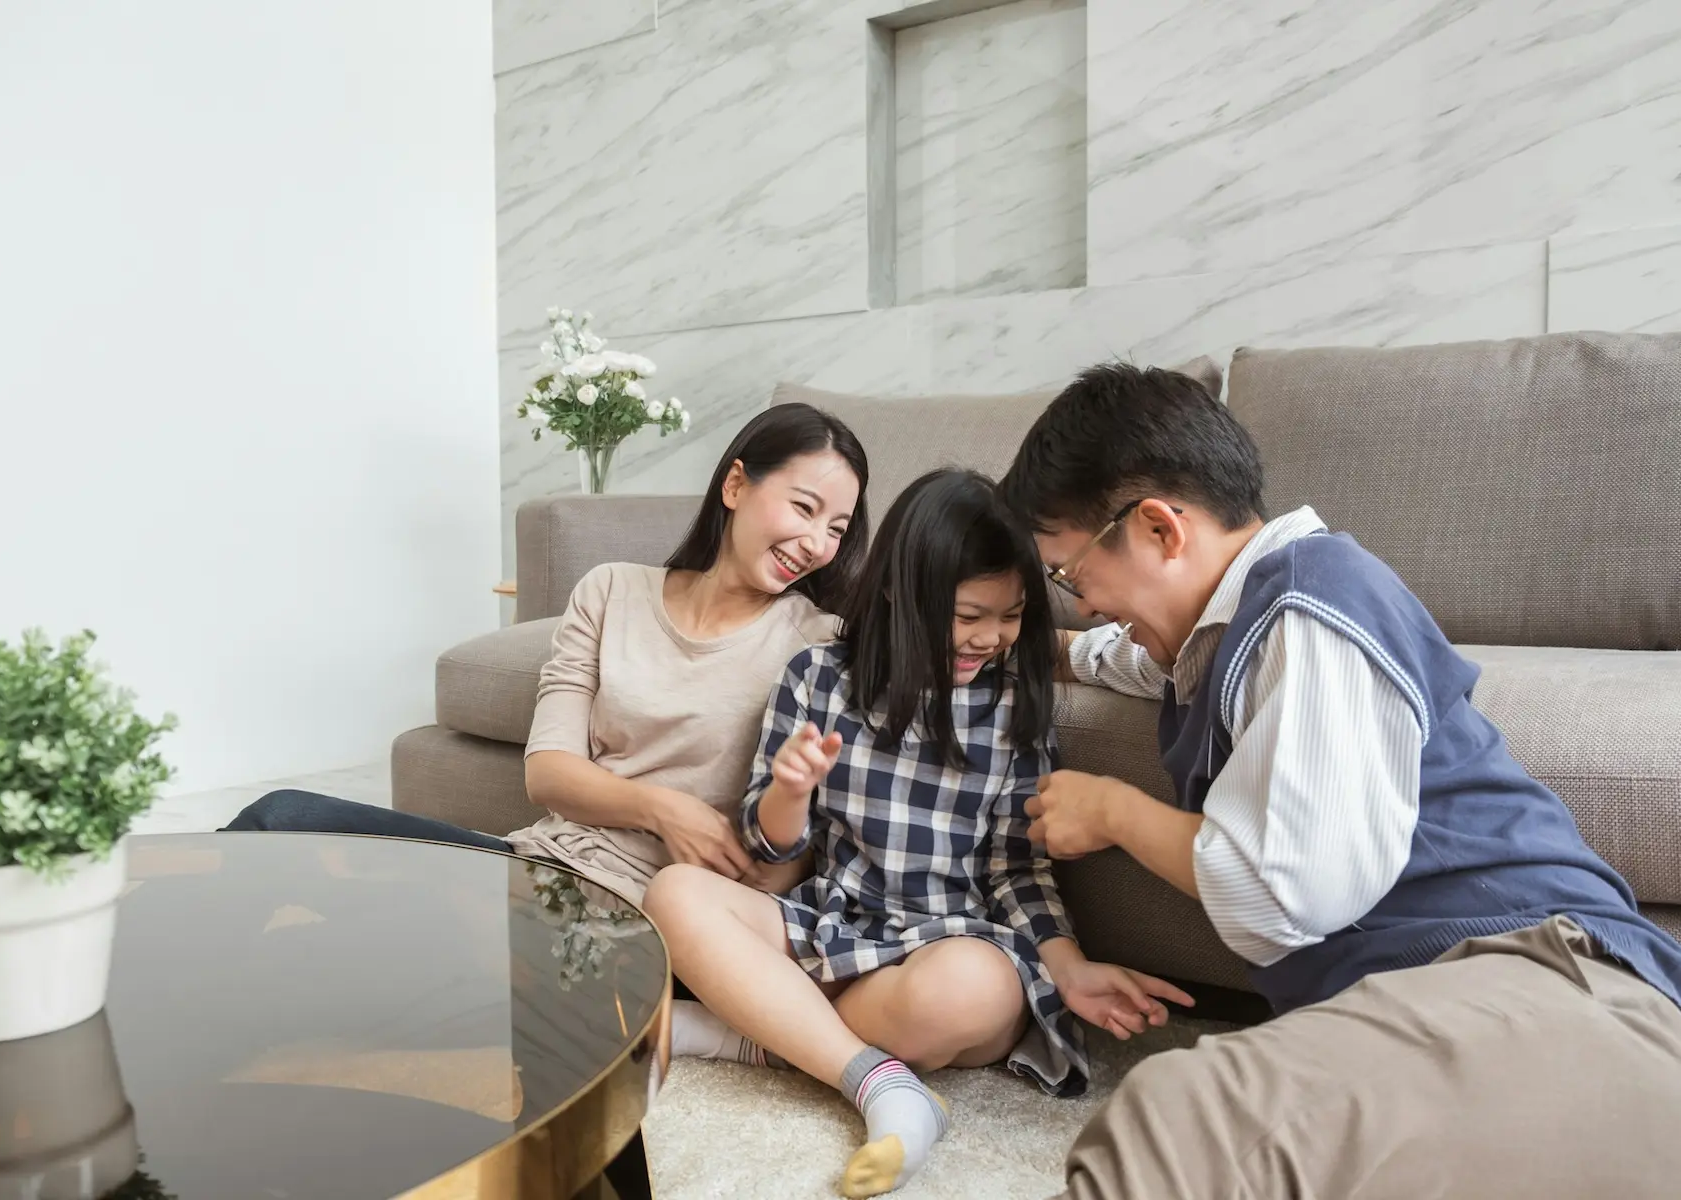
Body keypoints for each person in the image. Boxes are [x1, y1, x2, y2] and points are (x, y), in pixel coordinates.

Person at [997, 362, 1681, 1199]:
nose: (1085, 604)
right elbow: (1122, 656)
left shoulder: (1312, 608)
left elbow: (1279, 889)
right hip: (1441, 1019)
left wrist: (1114, 812)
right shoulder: (1221, 632)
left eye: (1070, 575)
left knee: (1180, 1129)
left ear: (1159, 531)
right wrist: (1014, 647)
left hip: (1556, 990)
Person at [641, 469, 1193, 1200]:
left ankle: (750, 1033)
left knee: (972, 991)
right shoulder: (818, 677)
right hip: (832, 926)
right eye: (969, 614)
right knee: (673, 893)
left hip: (948, 948)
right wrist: (789, 790)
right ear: (904, 593)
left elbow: (1015, 870)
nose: (990, 637)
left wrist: (1067, 966)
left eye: (1012, 614)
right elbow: (769, 852)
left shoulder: (1011, 706)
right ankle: (878, 1083)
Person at [225, 402, 871, 902]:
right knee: (276, 821)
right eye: (804, 508)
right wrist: (666, 808)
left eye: (836, 529)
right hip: (537, 869)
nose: (817, 542)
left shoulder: (817, 642)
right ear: (736, 485)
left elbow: (792, 852)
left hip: (650, 914)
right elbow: (549, 774)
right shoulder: (612, 590)